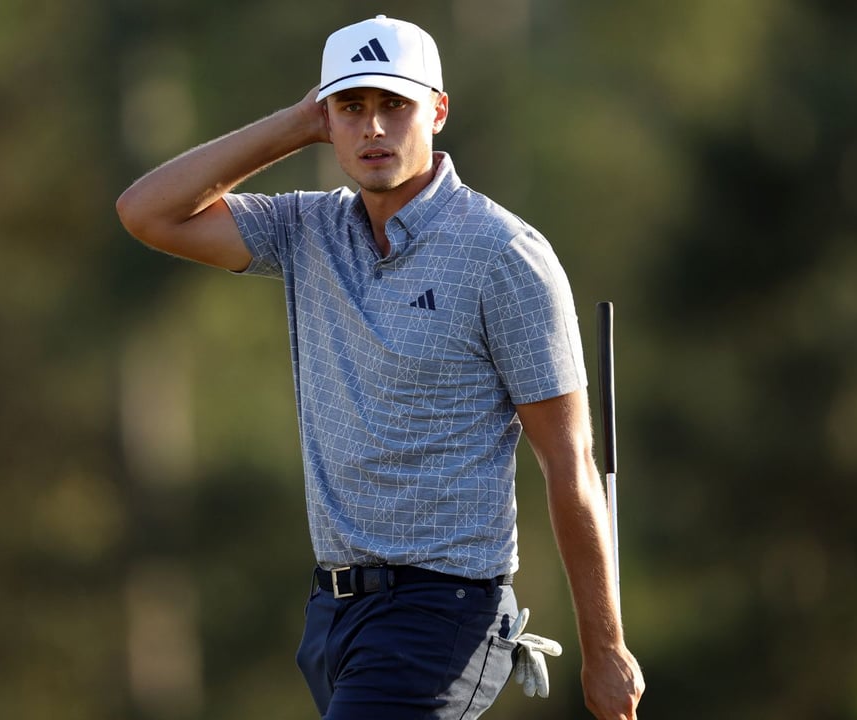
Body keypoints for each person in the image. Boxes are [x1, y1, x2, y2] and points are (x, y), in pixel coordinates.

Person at [116, 14, 644, 720]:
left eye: (395, 105)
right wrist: (295, 123)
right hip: (332, 616)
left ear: (438, 111)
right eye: (351, 107)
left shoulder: (503, 254)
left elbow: (569, 462)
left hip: (444, 612)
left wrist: (605, 649)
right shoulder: (306, 229)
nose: (373, 128)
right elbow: (147, 212)